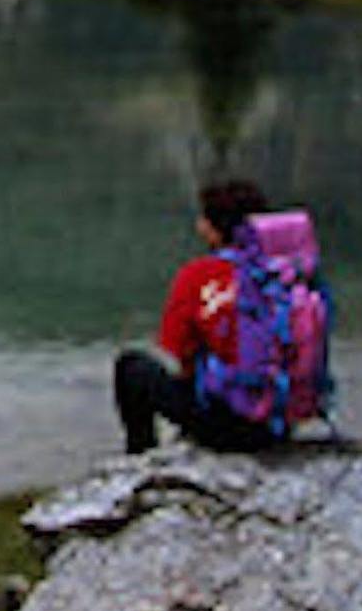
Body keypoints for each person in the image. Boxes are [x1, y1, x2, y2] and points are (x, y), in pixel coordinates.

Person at [113, 179, 280, 454]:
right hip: (279, 421)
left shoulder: (198, 276)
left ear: (213, 230)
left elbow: (181, 351)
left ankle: (139, 456)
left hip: (228, 426)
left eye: (203, 219)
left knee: (131, 367)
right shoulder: (289, 271)